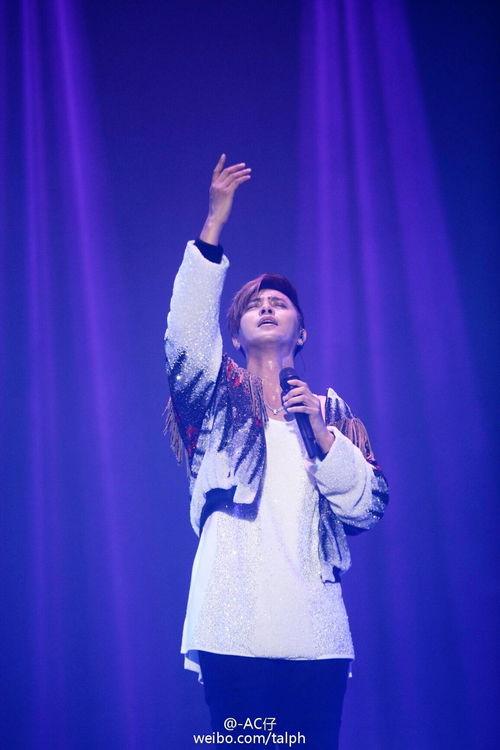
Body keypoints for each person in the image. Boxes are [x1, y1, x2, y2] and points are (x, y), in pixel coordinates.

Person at [164, 154, 389, 749]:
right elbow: (185, 335)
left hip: (315, 634)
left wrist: (323, 435)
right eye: (254, 305)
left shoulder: (332, 413)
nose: (267, 307)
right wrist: (213, 224)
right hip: (231, 628)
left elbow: (367, 508)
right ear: (235, 334)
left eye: (280, 303)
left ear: (302, 331)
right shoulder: (214, 401)